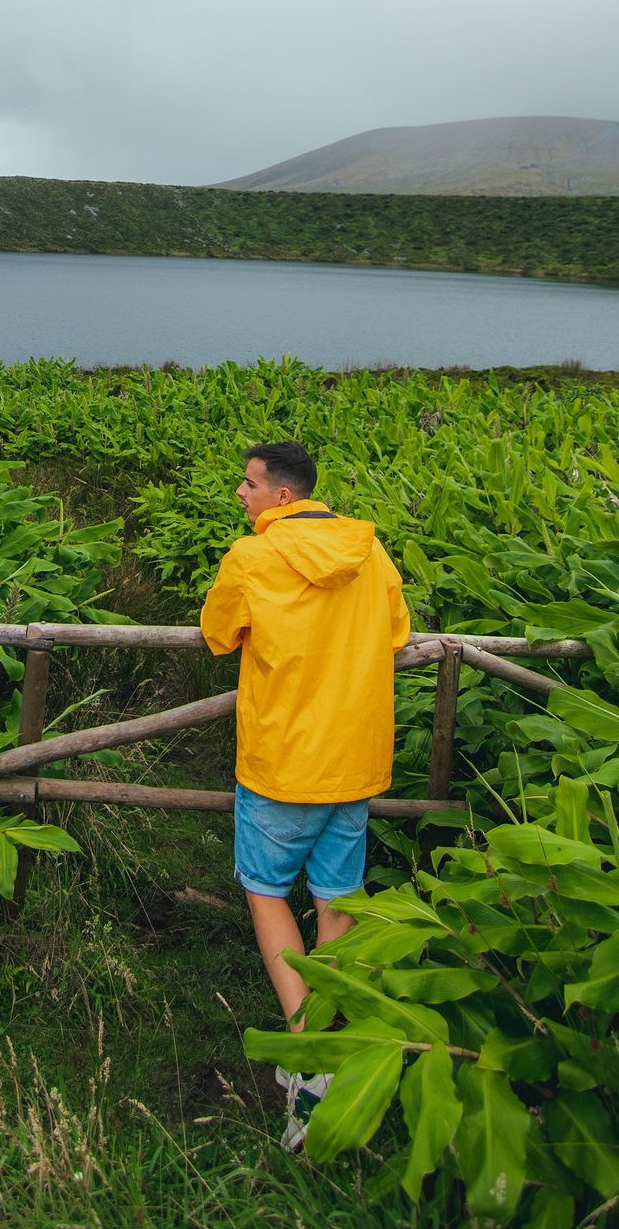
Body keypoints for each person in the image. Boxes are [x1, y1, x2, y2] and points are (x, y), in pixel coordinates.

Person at [200, 439, 410, 1151]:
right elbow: (398, 632)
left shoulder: (251, 556)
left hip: (282, 760)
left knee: (265, 891)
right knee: (335, 895)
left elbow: (217, 634)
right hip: (354, 759)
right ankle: (332, 1031)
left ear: (281, 496)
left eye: (249, 484)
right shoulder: (370, 551)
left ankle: (309, 1053)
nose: (240, 494)